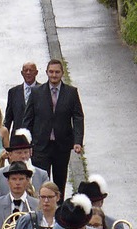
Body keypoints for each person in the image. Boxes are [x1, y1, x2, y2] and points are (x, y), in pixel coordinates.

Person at [22, 59, 84, 200]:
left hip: (61, 146)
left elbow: (78, 117)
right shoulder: (36, 92)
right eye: (51, 72)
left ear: (62, 73)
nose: (54, 75)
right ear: (46, 73)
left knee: (59, 183)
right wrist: (27, 145)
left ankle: (59, 214)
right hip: (40, 146)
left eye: (57, 72)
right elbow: (28, 120)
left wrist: (77, 141)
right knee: (40, 183)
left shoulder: (71, 92)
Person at [0, 129, 50, 208]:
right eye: (19, 153)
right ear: (10, 155)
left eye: (26, 152)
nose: (23, 156)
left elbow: (47, 200)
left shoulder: (42, 175)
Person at [5, 62, 40, 134]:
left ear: (36, 72)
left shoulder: (43, 91)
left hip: (37, 138)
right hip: (17, 138)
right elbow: (8, 118)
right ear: (22, 73)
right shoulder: (13, 92)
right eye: (25, 70)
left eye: (31, 70)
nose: (28, 73)